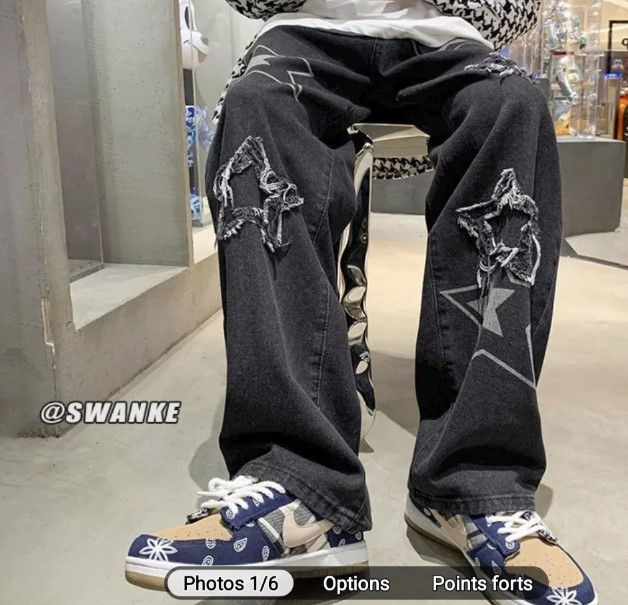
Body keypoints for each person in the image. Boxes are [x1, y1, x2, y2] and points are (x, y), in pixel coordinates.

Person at [125, 1, 597, 603]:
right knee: (255, 106)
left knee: (516, 107)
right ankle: (301, 489)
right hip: (309, 33)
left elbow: (514, 11)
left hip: (441, 40)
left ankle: (474, 487)